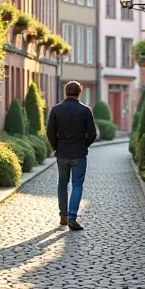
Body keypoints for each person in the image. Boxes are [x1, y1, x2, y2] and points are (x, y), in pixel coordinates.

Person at [47, 81, 97, 231]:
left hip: (62, 153)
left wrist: (57, 147)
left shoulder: (56, 110)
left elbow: (50, 133)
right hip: (79, 154)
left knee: (62, 184)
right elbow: (93, 134)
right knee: (77, 185)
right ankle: (72, 217)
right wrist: (84, 145)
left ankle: (62, 216)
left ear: (65, 92)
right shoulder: (85, 110)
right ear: (79, 92)